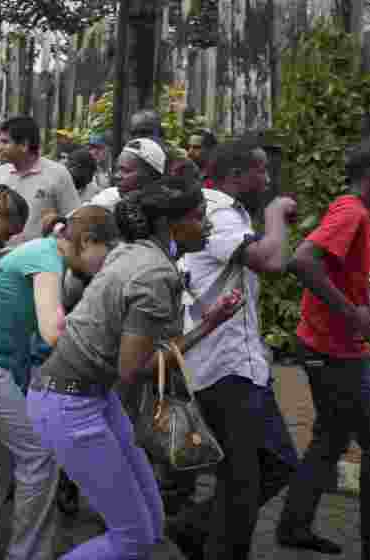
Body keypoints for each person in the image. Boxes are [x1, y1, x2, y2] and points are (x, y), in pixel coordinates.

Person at [27, 174, 233, 560]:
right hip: (68, 406)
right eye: (199, 216)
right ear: (170, 224)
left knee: (150, 528)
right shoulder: (155, 273)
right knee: (133, 537)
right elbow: (133, 370)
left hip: (93, 400)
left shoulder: (134, 251)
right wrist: (208, 326)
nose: (207, 225)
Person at [0, 204, 122, 560]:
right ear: (88, 241)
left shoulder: (52, 257)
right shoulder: (46, 258)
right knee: (39, 452)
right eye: (107, 254)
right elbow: (53, 332)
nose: (105, 265)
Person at [278, 139, 370, 560]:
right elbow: (302, 262)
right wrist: (351, 313)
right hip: (333, 351)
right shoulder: (352, 211)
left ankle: (293, 526)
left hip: (329, 343)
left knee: (329, 438)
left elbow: (337, 274)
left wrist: (367, 317)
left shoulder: (356, 211)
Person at [169, 140, 300, 560]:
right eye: (261, 171)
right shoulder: (217, 212)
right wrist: (277, 214)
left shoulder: (220, 210)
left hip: (238, 364)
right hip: (222, 366)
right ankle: (211, 541)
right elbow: (271, 259)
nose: (266, 179)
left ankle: (193, 528)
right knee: (242, 482)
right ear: (237, 174)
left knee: (274, 462)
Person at [0, 116, 81, 240]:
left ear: (24, 145)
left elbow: (73, 217)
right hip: (0, 255)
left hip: (42, 256)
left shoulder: (57, 174)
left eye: (5, 142)